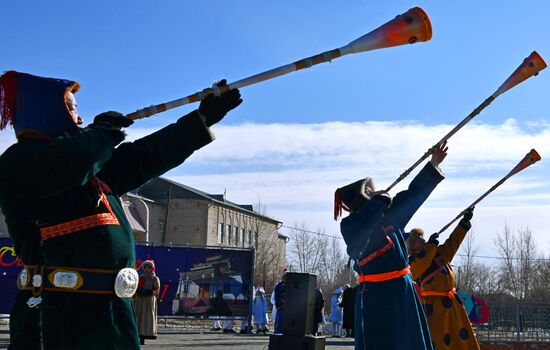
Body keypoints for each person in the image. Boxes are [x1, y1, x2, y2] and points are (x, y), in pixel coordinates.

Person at [0, 71, 242, 350]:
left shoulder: (90, 163)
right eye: (70, 109)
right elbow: (76, 160)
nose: (79, 119)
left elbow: (145, 155)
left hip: (112, 314)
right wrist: (103, 131)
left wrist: (201, 119)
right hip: (58, 312)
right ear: (44, 112)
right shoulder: (19, 163)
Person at [336, 142, 448, 350]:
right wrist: (379, 203)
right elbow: (362, 230)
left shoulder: (389, 217)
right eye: (370, 192)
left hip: (402, 291)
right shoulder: (350, 225)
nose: (375, 192)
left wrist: (433, 164)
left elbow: (412, 196)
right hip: (374, 297)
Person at [407, 207, 480, 350]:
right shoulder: (413, 262)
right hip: (434, 309)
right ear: (413, 245)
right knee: (439, 342)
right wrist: (431, 246)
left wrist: (463, 223)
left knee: (461, 341)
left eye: (423, 240)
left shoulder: (438, 255)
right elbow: (423, 260)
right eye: (419, 241)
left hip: (453, 306)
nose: (423, 242)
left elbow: (453, 243)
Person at [134, 260, 160, 345]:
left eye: (149, 267)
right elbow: (136, 287)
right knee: (139, 316)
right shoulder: (140, 277)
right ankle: (138, 334)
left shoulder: (154, 278)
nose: (147, 269)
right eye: (145, 267)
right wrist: (139, 291)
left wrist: (150, 292)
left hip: (148, 300)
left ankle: (145, 335)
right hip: (140, 300)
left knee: (147, 318)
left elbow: (157, 290)